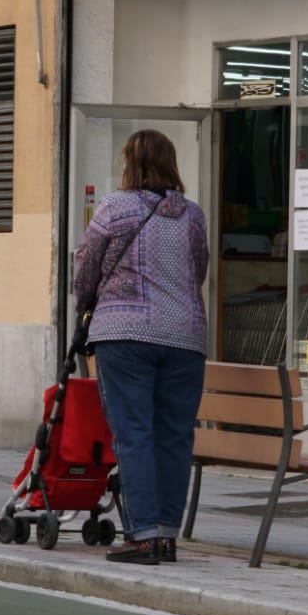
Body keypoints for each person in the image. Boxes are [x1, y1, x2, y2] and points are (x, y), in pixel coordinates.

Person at [72, 129, 209, 566]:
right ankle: (167, 535)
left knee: (133, 433)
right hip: (185, 337)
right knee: (174, 436)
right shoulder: (192, 216)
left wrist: (85, 306)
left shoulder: (114, 208)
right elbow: (199, 269)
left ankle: (142, 535)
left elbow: (86, 268)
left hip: (125, 335)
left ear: (131, 164)